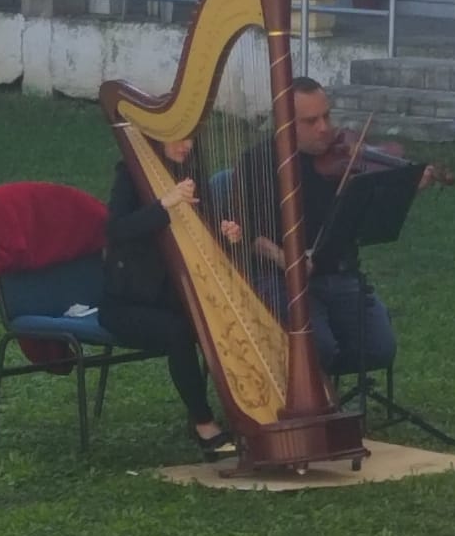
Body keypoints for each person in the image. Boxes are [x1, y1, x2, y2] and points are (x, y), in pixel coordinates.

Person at [234, 77, 399, 377]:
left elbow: (368, 219)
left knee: (380, 349)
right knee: (318, 348)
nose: (324, 128)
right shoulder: (258, 162)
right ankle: (310, 388)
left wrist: (401, 184)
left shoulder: (343, 158)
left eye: (326, 116)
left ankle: (314, 384)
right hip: (285, 281)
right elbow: (249, 231)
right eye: (311, 121)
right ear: (284, 124)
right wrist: (286, 259)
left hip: (340, 273)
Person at [99, 138, 242, 461]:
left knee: (219, 319)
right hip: (127, 302)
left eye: (192, 137)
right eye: (179, 137)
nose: (187, 145)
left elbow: (203, 236)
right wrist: (164, 205)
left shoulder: (191, 172)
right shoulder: (131, 173)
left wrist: (226, 235)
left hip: (174, 297)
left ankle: (248, 410)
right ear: (158, 135)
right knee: (178, 331)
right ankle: (203, 423)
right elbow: (117, 229)